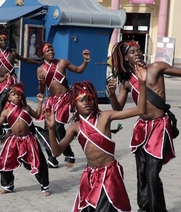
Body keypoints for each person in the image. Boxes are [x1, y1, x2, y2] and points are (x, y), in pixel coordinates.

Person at [44, 61, 147, 211]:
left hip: (109, 174)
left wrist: (142, 83)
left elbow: (141, 109)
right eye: (81, 100)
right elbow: (56, 152)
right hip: (90, 175)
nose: (87, 103)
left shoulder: (105, 116)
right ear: (74, 104)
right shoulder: (75, 127)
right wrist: (52, 129)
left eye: (90, 98)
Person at [107, 40, 178, 212]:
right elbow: (118, 108)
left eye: (139, 50)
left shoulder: (157, 67)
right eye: (132, 52)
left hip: (160, 127)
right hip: (141, 128)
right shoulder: (126, 82)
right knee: (141, 172)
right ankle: (144, 207)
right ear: (125, 58)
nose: (137, 53)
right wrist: (112, 95)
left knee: (152, 174)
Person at [0, 83, 50, 196]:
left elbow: (37, 115)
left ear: (22, 97)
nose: (16, 97)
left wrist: (40, 102)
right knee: (5, 162)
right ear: (9, 97)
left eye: (19, 95)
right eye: (14, 95)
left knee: (39, 162)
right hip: (14, 140)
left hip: (29, 139)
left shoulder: (26, 108)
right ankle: (8, 186)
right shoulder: (6, 111)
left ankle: (45, 187)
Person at [36, 41, 90, 168]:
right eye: (47, 51)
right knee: (49, 128)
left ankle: (68, 153)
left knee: (59, 126)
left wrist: (86, 61)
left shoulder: (62, 63)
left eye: (52, 50)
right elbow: (42, 90)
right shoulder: (40, 69)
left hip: (65, 99)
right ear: (42, 54)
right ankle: (52, 158)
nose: (51, 52)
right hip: (51, 100)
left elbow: (79, 70)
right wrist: (41, 83)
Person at [0, 31, 41, 141]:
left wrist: (37, 63)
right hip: (0, 82)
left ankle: (9, 130)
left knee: (3, 103)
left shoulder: (12, 54)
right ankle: (2, 131)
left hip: (10, 81)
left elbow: (25, 59)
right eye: (1, 40)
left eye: (5, 40)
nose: (3, 42)